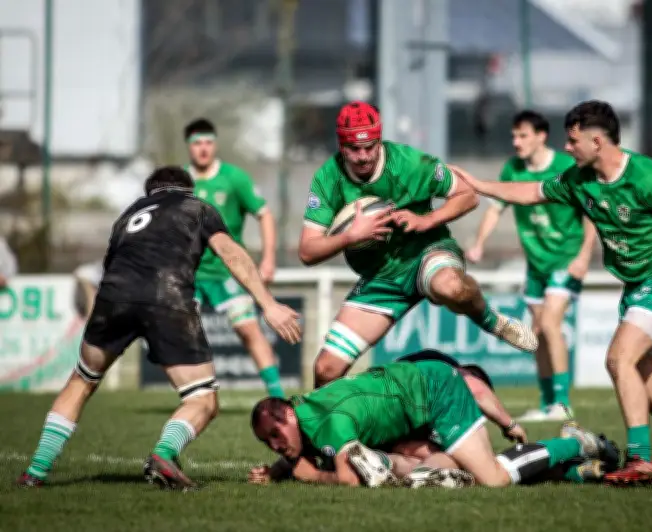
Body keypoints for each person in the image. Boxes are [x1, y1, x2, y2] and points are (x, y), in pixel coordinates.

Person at [452, 100, 652, 487]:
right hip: (639, 286)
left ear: (597, 140)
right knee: (651, 391)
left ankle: (640, 460)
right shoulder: (578, 178)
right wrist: (478, 183)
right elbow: (530, 192)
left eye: (572, 141)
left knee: (618, 359)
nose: (567, 149)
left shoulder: (647, 177)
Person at [16, 167, 302, 490]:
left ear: (151, 193)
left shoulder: (127, 216)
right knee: (202, 399)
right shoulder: (199, 208)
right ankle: (164, 454)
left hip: (113, 298)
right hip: (166, 296)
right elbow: (230, 253)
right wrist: (268, 303)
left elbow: (111, 267)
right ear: (188, 190)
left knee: (81, 381)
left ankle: (35, 473)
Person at [299, 101, 537, 388]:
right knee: (326, 370)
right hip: (381, 278)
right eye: (353, 149)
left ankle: (492, 322)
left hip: (427, 252)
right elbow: (307, 251)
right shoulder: (328, 179)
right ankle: (329, 433)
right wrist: (350, 236)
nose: (363, 156)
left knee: (452, 288)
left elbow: (468, 195)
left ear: (379, 139)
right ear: (341, 144)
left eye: (370, 146)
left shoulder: (410, 163)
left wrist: (428, 220)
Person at [250, 359, 619, 488]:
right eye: (268, 442)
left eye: (274, 435)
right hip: (415, 406)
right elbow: (298, 447)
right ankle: (574, 473)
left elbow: (347, 480)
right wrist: (278, 469)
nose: (276, 445)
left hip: (437, 393)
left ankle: (577, 442)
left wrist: (313, 477)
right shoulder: (300, 410)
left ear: (287, 415)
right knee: (454, 477)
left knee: (491, 480)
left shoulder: (328, 423)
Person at [466, 110, 596, 421]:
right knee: (537, 333)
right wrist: (479, 242)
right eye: (513, 135)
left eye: (523, 135)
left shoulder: (566, 166)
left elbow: (592, 212)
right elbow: (496, 209)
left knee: (551, 324)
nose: (516, 142)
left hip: (566, 258)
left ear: (541, 136)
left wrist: (584, 255)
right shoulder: (512, 169)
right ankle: (547, 402)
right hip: (536, 265)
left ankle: (563, 403)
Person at [185, 119, 286, 398]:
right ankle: (195, 396)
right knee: (184, 335)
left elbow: (264, 214)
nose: (203, 149)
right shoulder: (180, 181)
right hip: (189, 274)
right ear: (188, 147)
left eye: (207, 142)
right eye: (197, 143)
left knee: (249, 331)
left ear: (215, 144)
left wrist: (268, 259)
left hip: (229, 272)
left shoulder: (234, 178)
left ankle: (278, 398)